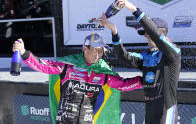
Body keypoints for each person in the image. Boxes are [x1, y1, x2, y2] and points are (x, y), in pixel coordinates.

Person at [12, 33, 143, 124]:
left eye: (101, 50)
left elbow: (123, 85)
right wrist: (24, 53)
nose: (99, 54)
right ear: (85, 48)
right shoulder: (68, 66)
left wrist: (146, 81)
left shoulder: (102, 73)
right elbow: (43, 65)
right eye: (95, 49)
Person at [98, 0, 181, 124]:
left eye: (147, 33)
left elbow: (156, 35)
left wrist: (132, 8)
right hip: (150, 111)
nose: (145, 36)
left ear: (160, 33)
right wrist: (114, 31)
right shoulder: (146, 56)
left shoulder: (173, 52)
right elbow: (123, 57)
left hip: (166, 111)